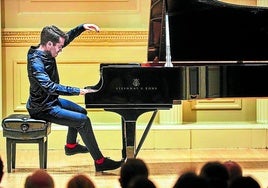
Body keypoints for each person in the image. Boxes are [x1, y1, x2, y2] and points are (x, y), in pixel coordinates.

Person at [26, 23, 122, 172]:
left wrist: (82, 27)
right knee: (83, 121)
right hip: (42, 108)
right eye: (59, 47)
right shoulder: (36, 63)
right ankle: (100, 161)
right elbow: (50, 87)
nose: (61, 50)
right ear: (49, 44)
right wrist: (78, 91)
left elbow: (67, 38)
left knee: (82, 113)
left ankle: (71, 146)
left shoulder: (46, 49)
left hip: (51, 101)